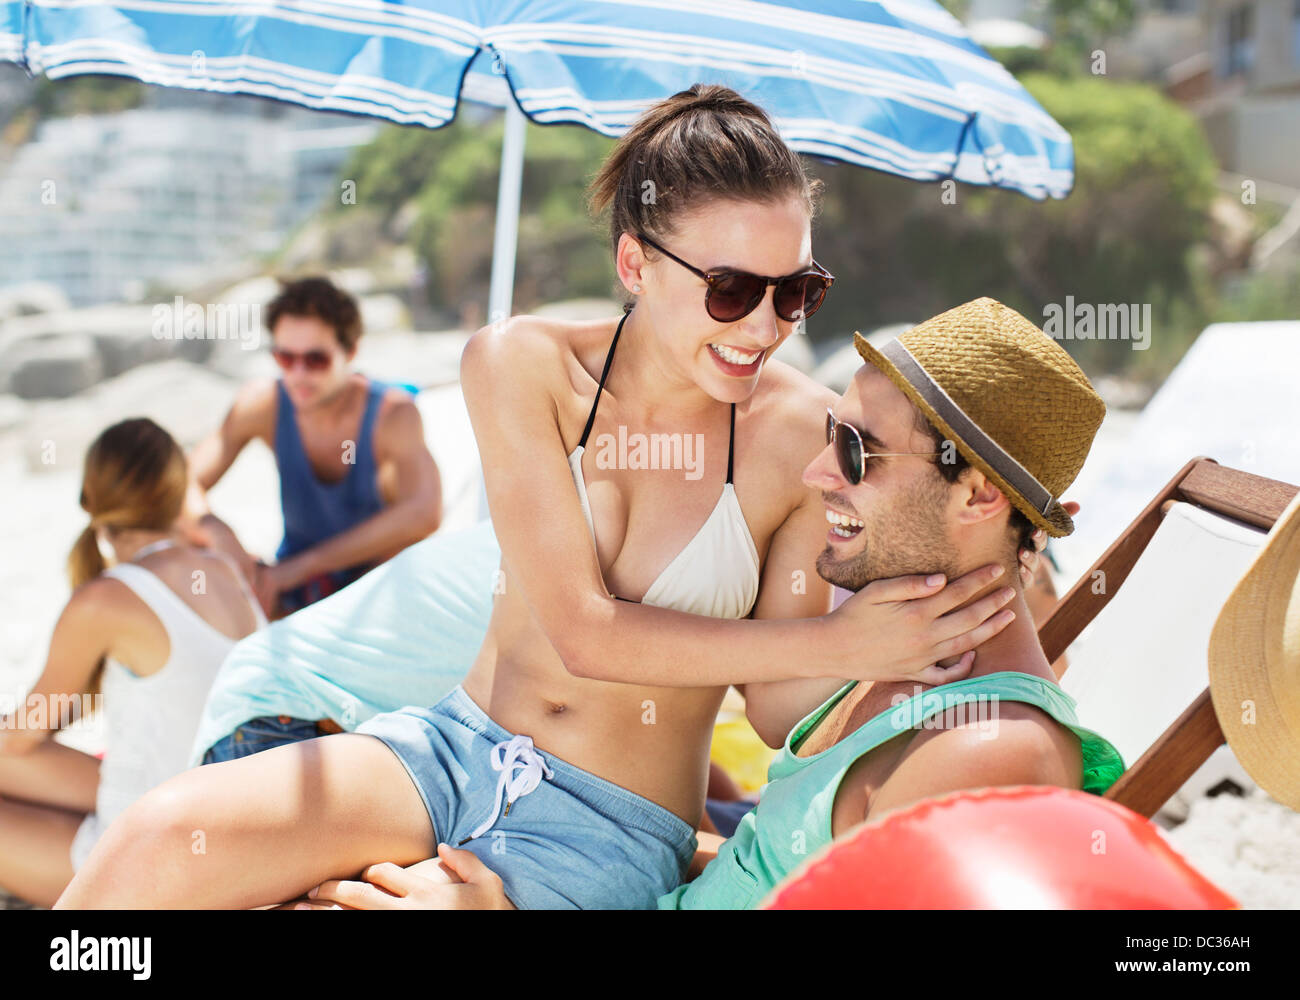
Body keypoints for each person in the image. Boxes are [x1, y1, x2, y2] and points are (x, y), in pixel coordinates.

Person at [58, 86, 1035, 912]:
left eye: (799, 292)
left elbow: (778, 712)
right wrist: (842, 645)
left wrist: (922, 634)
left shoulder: (803, 438)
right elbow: (580, 628)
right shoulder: (519, 364)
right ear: (634, 264)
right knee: (148, 843)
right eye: (735, 289)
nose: (768, 326)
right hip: (448, 746)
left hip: (611, 821)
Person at [294, 298, 1123, 911]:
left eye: (856, 451)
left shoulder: (983, 753)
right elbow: (785, 868)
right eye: (829, 433)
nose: (816, 474)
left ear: (979, 497)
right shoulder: (897, 667)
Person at [0, 419, 267, 908]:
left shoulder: (105, 599)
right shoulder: (225, 571)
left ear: (89, 499)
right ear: (177, 493)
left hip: (150, 862)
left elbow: (22, 734)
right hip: (231, 831)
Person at [185, 275, 442, 619]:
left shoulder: (391, 415)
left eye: (316, 360)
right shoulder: (263, 404)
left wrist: (302, 567)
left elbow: (425, 512)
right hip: (292, 585)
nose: (299, 374)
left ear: (350, 352)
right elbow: (180, 483)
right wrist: (219, 534)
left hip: (378, 588)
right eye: (285, 358)